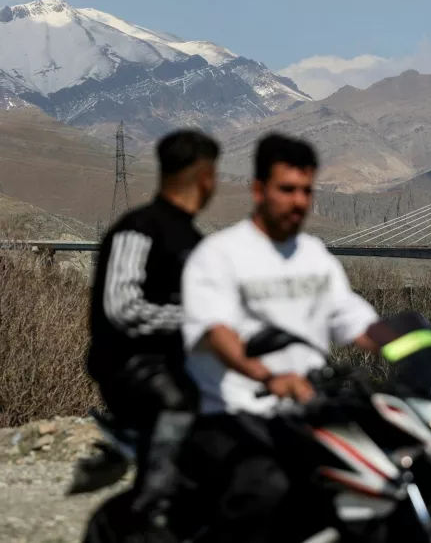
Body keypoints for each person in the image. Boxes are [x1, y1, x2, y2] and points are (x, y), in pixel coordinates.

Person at [177, 133, 382, 542]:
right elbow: (218, 332)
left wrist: (428, 348)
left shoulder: (314, 256)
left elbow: (356, 321)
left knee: (382, 477)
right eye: (287, 189)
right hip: (230, 414)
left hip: (305, 409)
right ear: (258, 189)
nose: (299, 201)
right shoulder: (219, 255)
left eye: (306, 190)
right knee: (265, 490)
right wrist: (267, 377)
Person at [85, 129, 220, 518]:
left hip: (180, 362)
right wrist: (199, 322)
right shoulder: (139, 228)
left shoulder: (192, 238)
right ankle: (153, 506)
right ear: (205, 176)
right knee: (179, 406)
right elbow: (123, 307)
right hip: (133, 367)